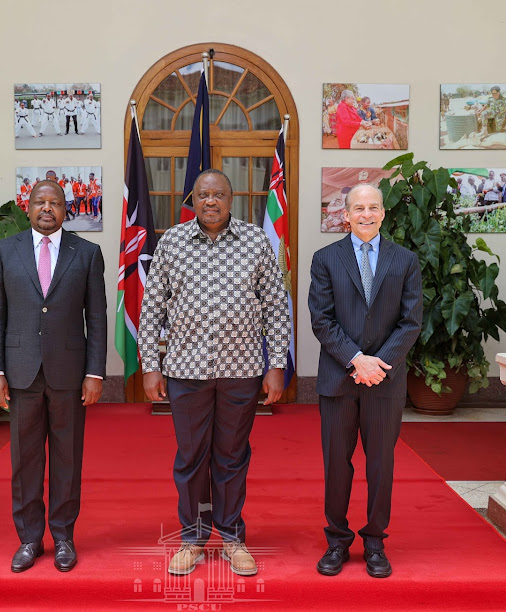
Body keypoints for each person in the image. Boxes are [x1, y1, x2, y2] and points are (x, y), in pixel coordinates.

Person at [138, 169, 290, 578]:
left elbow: (276, 306)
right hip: (186, 372)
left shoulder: (255, 241)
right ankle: (191, 538)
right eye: (203, 195)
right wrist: (150, 366)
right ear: (194, 198)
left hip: (241, 371)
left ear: (231, 198)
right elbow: (152, 308)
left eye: (218, 194)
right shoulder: (172, 241)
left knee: (232, 457)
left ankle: (231, 537)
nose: (210, 201)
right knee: (191, 457)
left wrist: (277, 365)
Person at [0, 180, 107, 574]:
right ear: (28, 207)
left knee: (68, 459)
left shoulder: (86, 253)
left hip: (70, 374)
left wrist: (95, 372)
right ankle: (29, 539)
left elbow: (98, 319)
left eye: (55, 202)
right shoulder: (6, 251)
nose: (47, 208)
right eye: (41, 202)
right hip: (20, 373)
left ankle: (64, 537)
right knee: (25, 461)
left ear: (66, 209)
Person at [308, 184, 422, 579]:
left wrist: (379, 365)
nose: (366, 214)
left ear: (383, 213)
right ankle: (337, 540)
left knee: (381, 464)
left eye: (373, 207)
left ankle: (375, 541)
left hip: (385, 382)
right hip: (339, 379)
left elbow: (411, 322)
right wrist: (357, 360)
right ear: (347, 214)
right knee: (337, 465)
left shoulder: (405, 260)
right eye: (359, 208)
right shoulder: (325, 259)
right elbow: (321, 319)